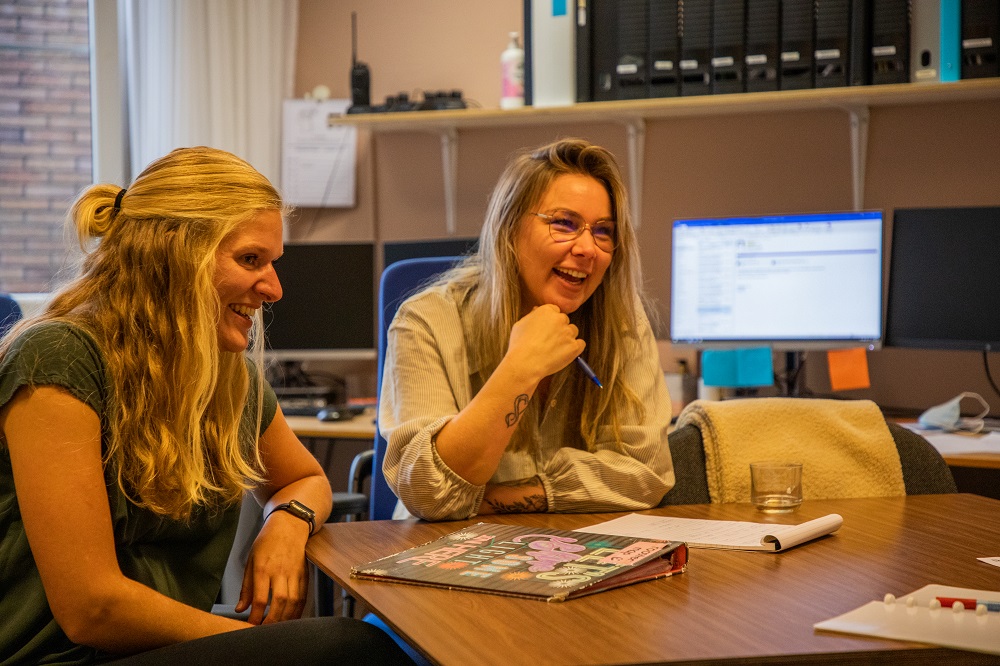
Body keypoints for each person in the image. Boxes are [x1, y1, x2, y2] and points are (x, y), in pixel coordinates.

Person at [0, 147, 411, 664]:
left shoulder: (221, 374)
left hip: (159, 645)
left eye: (272, 263)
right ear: (174, 254)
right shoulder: (58, 357)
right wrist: (239, 639)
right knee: (357, 648)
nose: (275, 289)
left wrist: (287, 521)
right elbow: (92, 608)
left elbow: (304, 478)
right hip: (66, 657)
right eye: (250, 260)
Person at [380, 138, 675, 522]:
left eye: (603, 231)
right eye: (564, 224)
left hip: (569, 550)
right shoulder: (427, 321)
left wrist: (494, 499)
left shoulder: (622, 322)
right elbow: (428, 493)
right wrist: (522, 366)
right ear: (508, 228)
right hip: (440, 552)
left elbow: (647, 475)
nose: (588, 248)